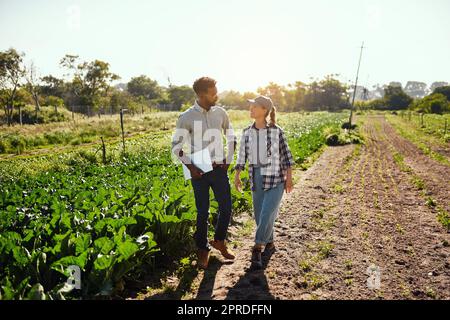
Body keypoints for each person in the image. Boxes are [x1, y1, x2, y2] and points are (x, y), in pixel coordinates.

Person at [172, 77, 237, 269]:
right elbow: (176, 147)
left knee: (226, 208)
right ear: (202, 95)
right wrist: (192, 168)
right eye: (213, 92)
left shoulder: (221, 113)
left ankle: (219, 241)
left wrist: (229, 158)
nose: (216, 95)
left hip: (218, 170)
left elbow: (231, 135)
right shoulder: (186, 117)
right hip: (199, 172)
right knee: (202, 212)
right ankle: (203, 250)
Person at [234, 95, 294, 270]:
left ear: (264, 110)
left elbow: (287, 156)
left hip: (275, 177)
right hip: (256, 176)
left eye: (254, 106)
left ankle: (257, 248)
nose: (250, 109)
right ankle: (270, 242)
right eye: (250, 106)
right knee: (259, 214)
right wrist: (237, 175)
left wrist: (289, 178)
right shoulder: (247, 132)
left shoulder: (276, 131)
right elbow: (242, 156)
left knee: (267, 213)